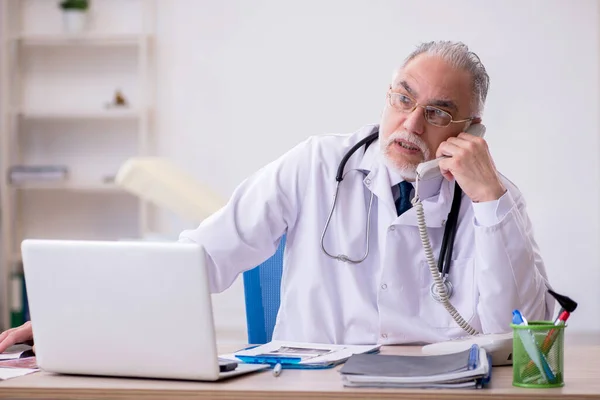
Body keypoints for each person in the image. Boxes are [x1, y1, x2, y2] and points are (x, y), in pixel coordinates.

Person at [0, 40, 553, 352]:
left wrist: (488, 201)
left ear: (470, 129)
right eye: (403, 98)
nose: (409, 122)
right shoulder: (318, 164)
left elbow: (526, 336)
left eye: (436, 113)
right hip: (312, 387)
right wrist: (70, 316)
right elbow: (204, 256)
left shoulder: (495, 201)